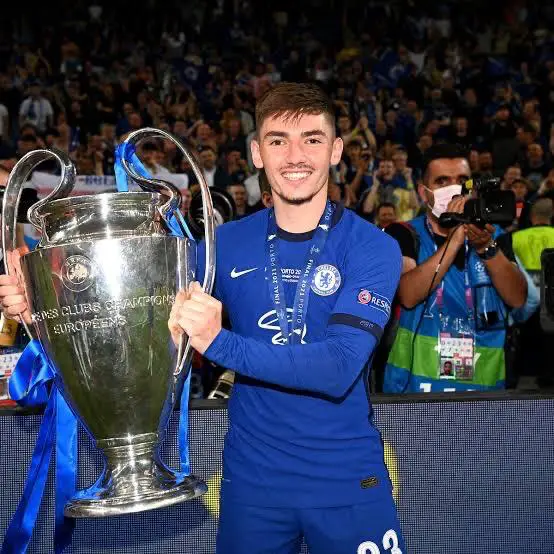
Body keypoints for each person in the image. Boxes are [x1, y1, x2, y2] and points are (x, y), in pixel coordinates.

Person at [169, 83, 405, 552]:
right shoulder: (222, 245)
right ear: (257, 153)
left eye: (312, 139)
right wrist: (40, 302)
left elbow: (338, 367)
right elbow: (143, 314)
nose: (296, 156)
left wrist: (219, 343)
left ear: (336, 150)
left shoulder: (373, 246)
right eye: (278, 140)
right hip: (252, 484)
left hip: (345, 477)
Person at [383, 143, 527, 393]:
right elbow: (408, 295)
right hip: (416, 391)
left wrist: (486, 248)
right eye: (442, 181)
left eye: (462, 180)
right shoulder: (405, 234)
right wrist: (454, 240)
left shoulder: (494, 236)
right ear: (424, 192)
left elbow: (517, 298)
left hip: (483, 391)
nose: (454, 189)